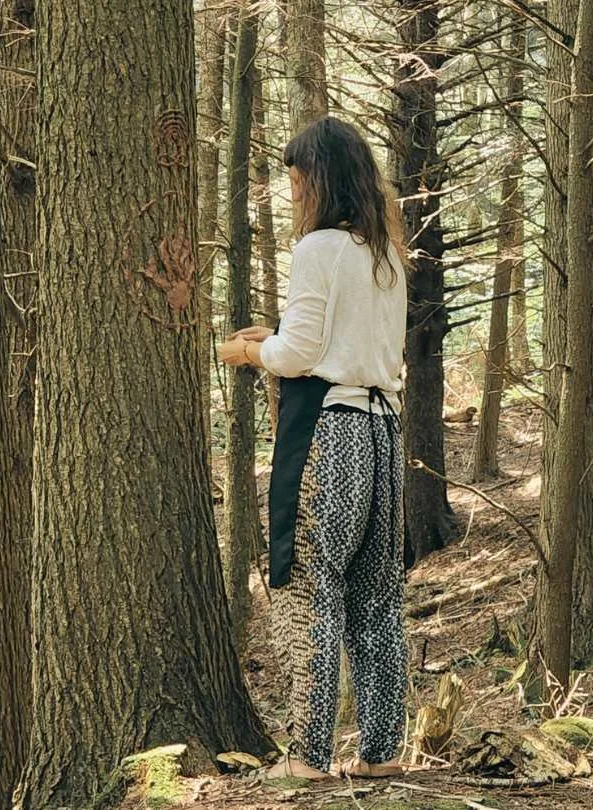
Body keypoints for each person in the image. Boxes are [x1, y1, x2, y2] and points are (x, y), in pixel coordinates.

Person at [218, 117, 408, 781]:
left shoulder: (321, 248)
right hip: (383, 434)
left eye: (299, 184)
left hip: (330, 436)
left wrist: (248, 351)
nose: (294, 197)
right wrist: (273, 334)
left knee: (307, 590)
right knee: (377, 598)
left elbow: (299, 355)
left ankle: (307, 757)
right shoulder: (382, 250)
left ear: (322, 182)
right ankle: (383, 752)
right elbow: (349, 340)